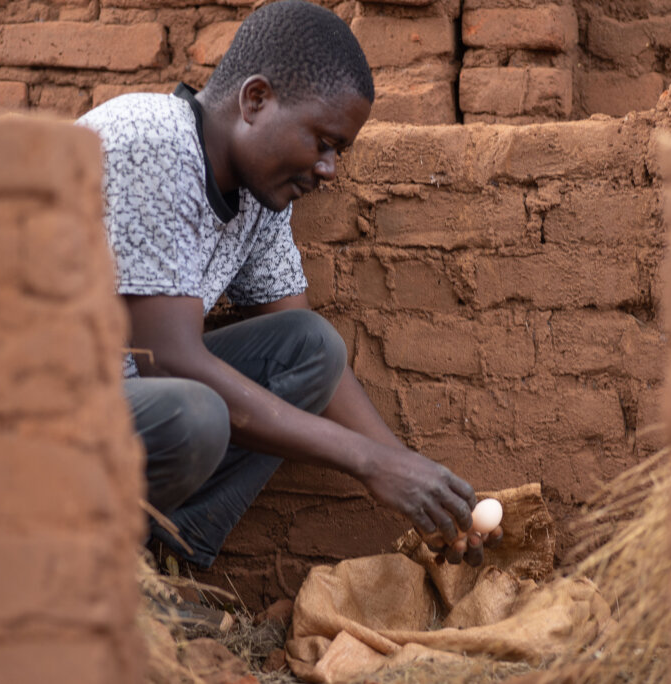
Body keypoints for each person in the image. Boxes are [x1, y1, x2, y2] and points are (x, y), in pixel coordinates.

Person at [77, 0, 500, 575]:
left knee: (309, 345)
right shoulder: (151, 140)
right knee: (194, 413)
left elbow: (307, 356)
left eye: (338, 152)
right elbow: (168, 360)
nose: (329, 169)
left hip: (112, 415)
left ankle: (162, 569)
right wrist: (369, 462)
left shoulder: (259, 197)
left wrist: (419, 483)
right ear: (255, 100)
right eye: (322, 142)